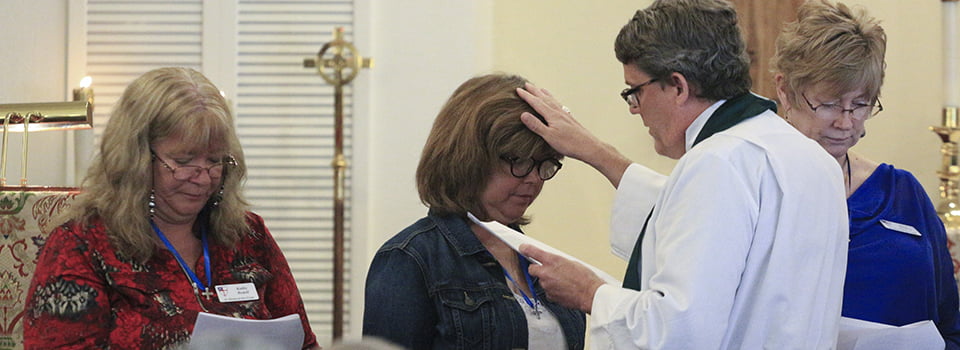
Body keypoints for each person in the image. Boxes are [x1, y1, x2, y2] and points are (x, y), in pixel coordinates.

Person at [515, 0, 849, 348]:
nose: (635, 110)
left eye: (635, 92)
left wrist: (591, 293)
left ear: (677, 86)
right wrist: (596, 153)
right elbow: (728, 256)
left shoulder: (717, 163)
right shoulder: (813, 159)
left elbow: (680, 331)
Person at [23, 67, 319, 349]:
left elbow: (304, 344)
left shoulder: (248, 236)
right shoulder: (81, 247)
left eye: (215, 160)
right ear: (136, 158)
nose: (203, 176)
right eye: (183, 160)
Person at [771, 1, 960, 347]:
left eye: (860, 105)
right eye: (828, 104)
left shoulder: (901, 192)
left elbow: (951, 321)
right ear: (785, 89)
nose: (845, 123)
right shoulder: (760, 192)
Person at [362, 73, 586, 349]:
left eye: (545, 164)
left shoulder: (544, 263)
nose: (534, 179)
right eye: (518, 160)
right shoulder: (410, 259)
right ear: (468, 158)